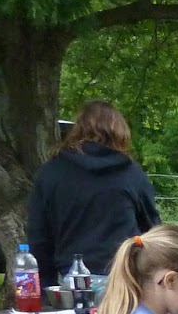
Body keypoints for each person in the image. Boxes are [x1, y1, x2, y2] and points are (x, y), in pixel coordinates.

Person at [26, 99, 161, 284]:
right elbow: (153, 231)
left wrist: (46, 285)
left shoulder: (52, 172)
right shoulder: (132, 174)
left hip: (73, 278)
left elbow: (39, 235)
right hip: (124, 279)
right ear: (120, 132)